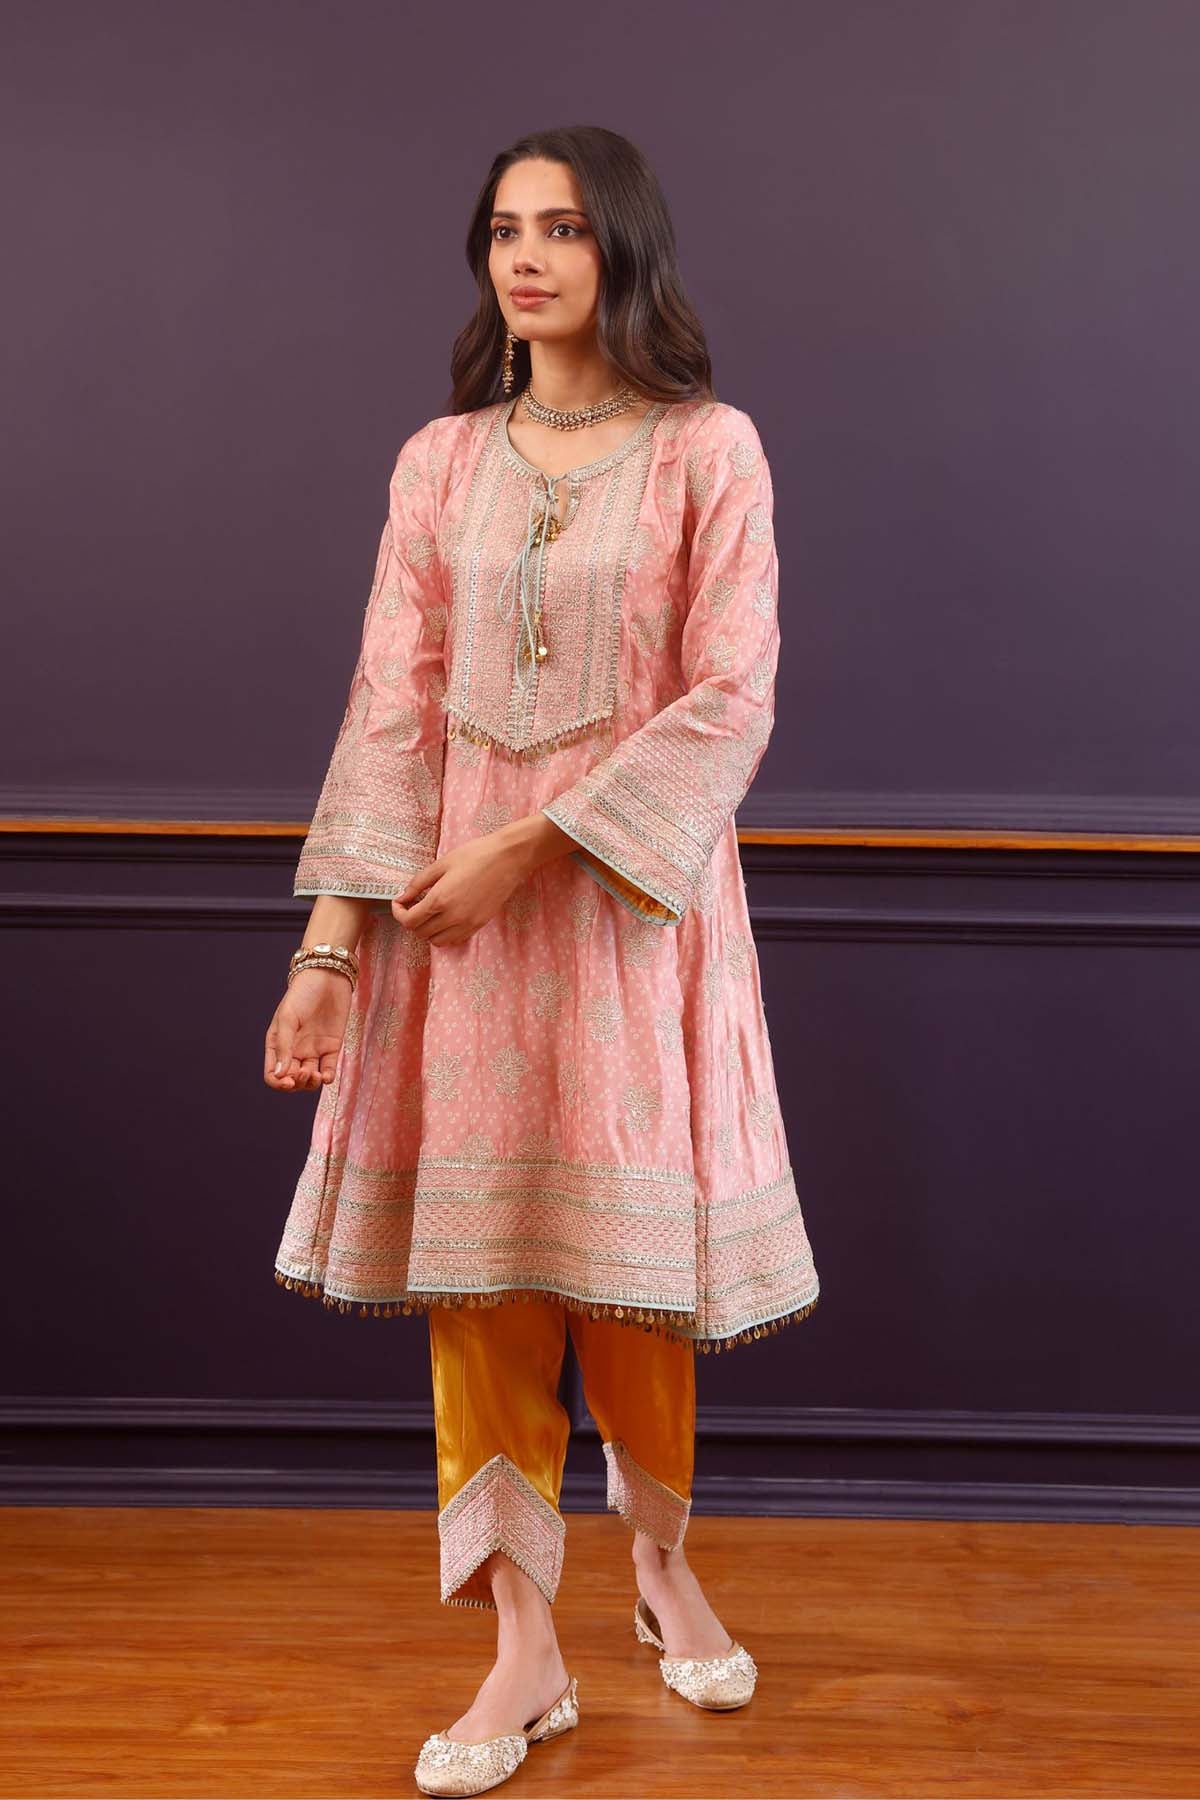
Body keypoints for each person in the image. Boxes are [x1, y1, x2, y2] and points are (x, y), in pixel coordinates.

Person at [263, 124, 820, 1798]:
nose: (527, 255)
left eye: (564, 227)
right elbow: (391, 709)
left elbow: (732, 696)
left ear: (622, 247)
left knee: (631, 1272)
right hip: (455, 930)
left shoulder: (710, 451)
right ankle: (522, 1642)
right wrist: (329, 949)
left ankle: (658, 1562)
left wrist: (533, 845)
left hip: (631, 915)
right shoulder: (440, 464)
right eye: (506, 228)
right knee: (483, 1274)